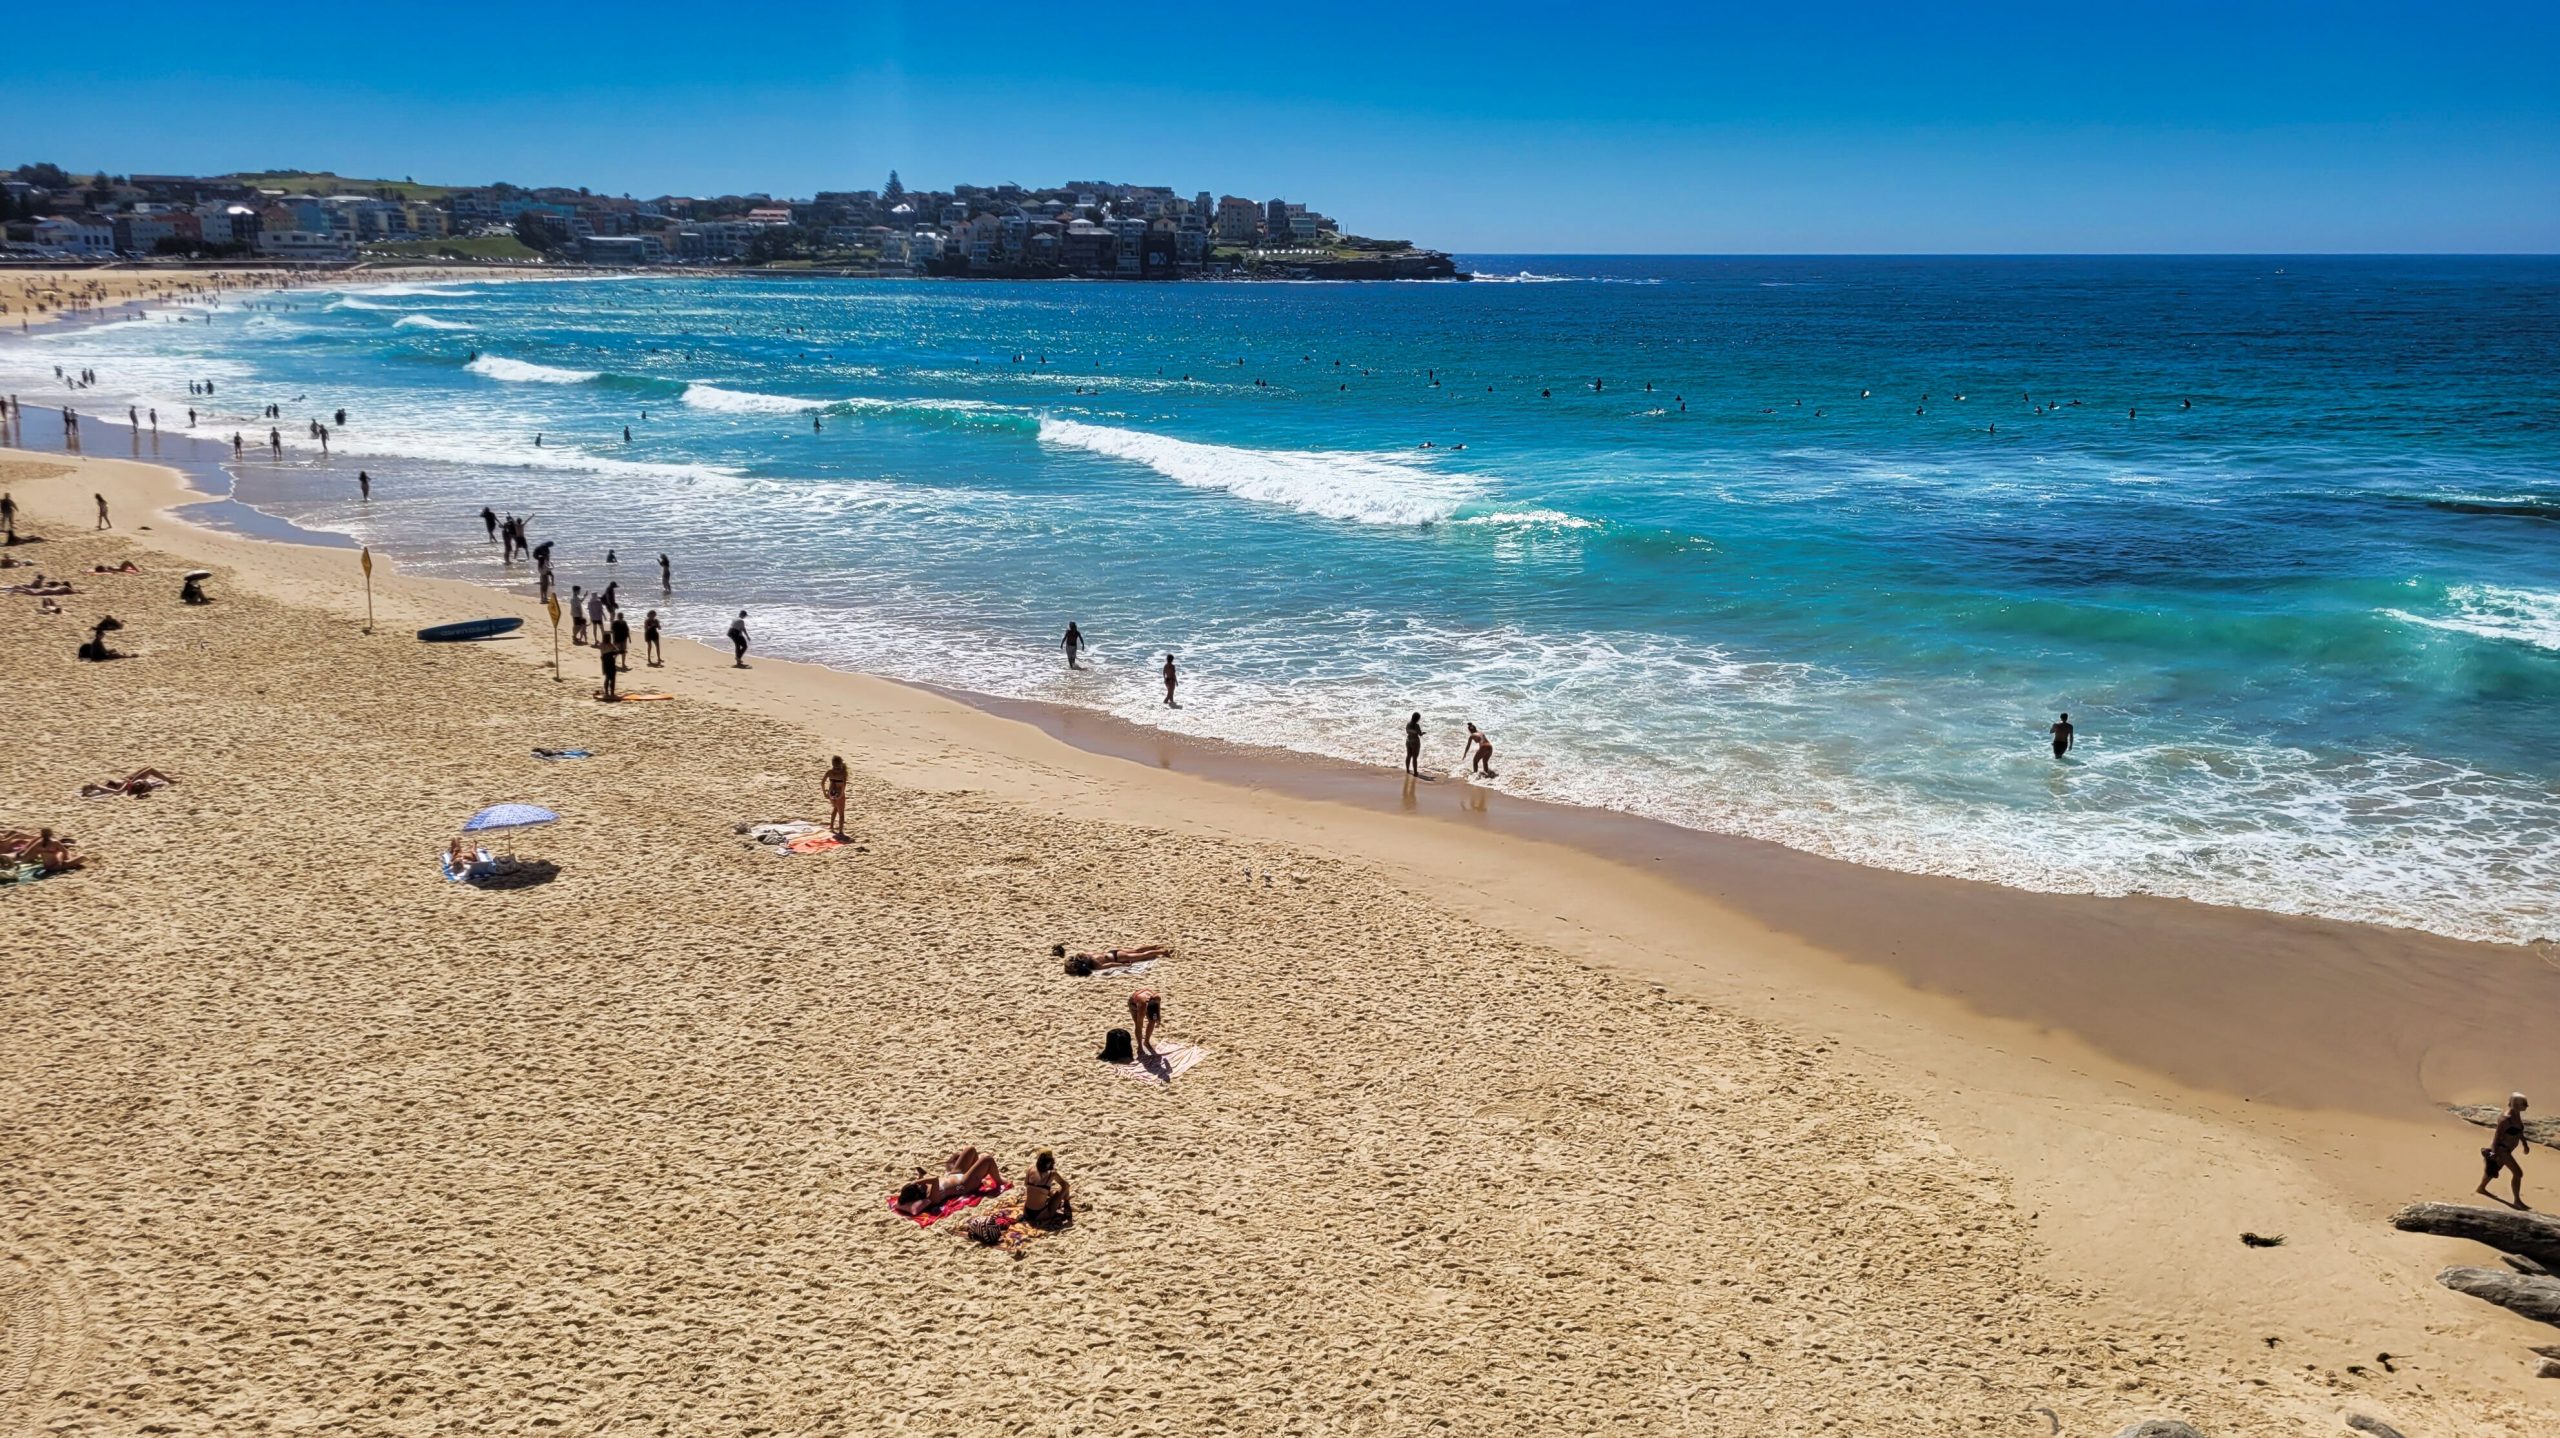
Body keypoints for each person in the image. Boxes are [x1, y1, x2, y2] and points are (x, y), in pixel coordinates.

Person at [893, 1148, 1002, 1216]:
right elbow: (934, 1179)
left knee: (970, 1150)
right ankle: (1000, 1181)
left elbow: (924, 1178)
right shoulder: (932, 1198)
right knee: (987, 1159)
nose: (919, 1184)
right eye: (918, 1185)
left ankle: (977, 1172)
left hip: (954, 1175)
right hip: (964, 1184)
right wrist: (917, 1181)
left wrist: (920, 1175)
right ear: (918, 1194)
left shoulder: (925, 1189)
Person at [2477, 1093, 2532, 1209]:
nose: (2527, 1106)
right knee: (2518, 1173)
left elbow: (2519, 1131)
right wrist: (2493, 1153)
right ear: (2516, 1104)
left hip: (2508, 1150)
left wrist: (2524, 1144)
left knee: (2494, 1170)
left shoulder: (2516, 1114)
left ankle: (2481, 1188)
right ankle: (2517, 1201)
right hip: (2502, 1151)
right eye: (2524, 1104)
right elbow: (2496, 1138)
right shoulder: (2506, 1119)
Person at [1020, 1151, 1072, 1227]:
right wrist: (1057, 1196)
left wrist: (1046, 1191)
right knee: (1064, 1188)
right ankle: (1067, 1203)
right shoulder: (1052, 1174)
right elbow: (1066, 1185)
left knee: (1046, 1191)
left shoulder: (1030, 1169)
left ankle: (1056, 1199)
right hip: (1040, 1213)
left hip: (1026, 1212)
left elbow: (1026, 1184)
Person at [1127, 988, 1162, 1058]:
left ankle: (1146, 1042)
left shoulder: (1156, 998)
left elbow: (1157, 1010)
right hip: (1133, 1003)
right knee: (1138, 1025)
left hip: (1145, 999)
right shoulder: (1143, 1005)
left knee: (1152, 1021)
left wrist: (1158, 1018)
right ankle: (1140, 1046)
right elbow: (1139, 1024)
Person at [823, 755, 849, 838]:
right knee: (841, 813)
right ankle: (840, 831)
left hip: (831, 793)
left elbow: (822, 782)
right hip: (839, 793)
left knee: (835, 808)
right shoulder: (843, 773)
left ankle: (831, 826)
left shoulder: (829, 772)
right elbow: (844, 785)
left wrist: (825, 793)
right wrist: (841, 794)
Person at [599, 634, 620, 701]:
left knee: (607, 677)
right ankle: (612, 693)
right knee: (612, 678)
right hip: (610, 662)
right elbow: (616, 650)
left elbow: (604, 653)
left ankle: (606, 693)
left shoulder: (601, 644)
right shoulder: (610, 645)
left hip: (605, 662)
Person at [1404, 712, 1425, 776]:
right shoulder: (1416, 725)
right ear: (1417, 718)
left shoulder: (1408, 724)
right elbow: (1420, 734)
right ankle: (1415, 772)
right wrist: (1423, 733)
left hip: (1408, 740)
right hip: (1415, 741)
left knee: (1408, 755)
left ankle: (1407, 770)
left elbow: (1407, 732)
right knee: (1414, 757)